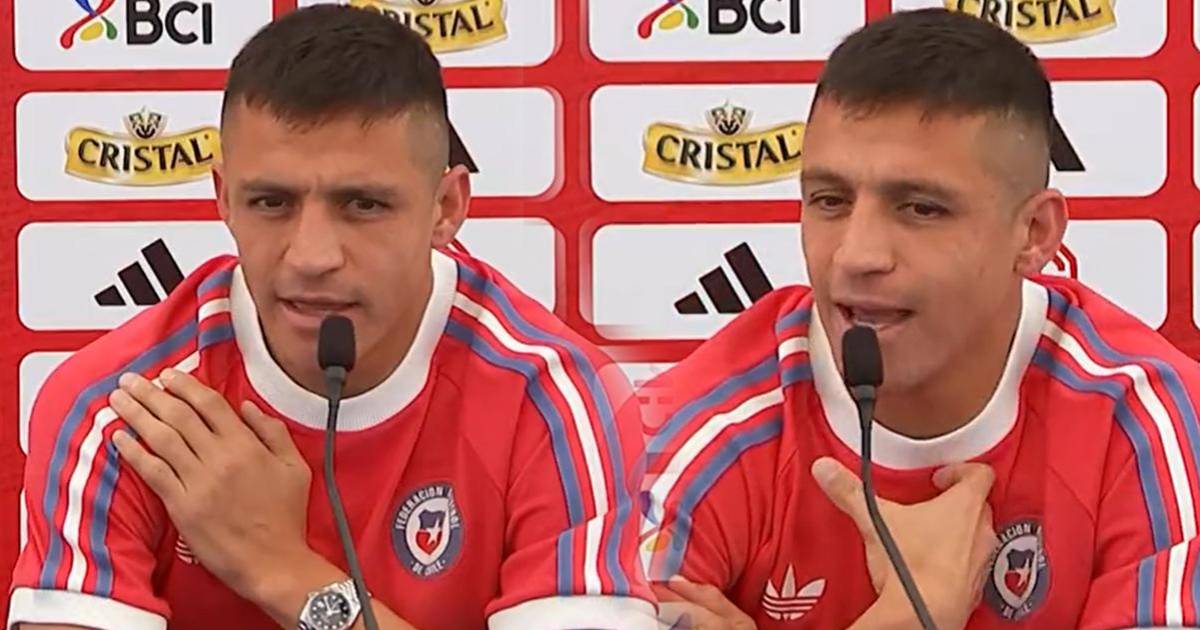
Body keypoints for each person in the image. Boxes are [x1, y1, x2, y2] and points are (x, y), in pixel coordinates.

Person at [9, 6, 654, 629]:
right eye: (271, 202)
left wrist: (282, 570)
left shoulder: (556, 401)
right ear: (223, 199)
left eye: (363, 205)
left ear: (446, 207)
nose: (311, 256)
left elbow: (283, 573)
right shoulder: (125, 404)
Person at [639, 8, 1200, 629]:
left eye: (921, 209)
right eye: (829, 200)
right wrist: (914, 613)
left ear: (1035, 233)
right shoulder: (697, 428)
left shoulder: (1151, 424)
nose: (856, 255)